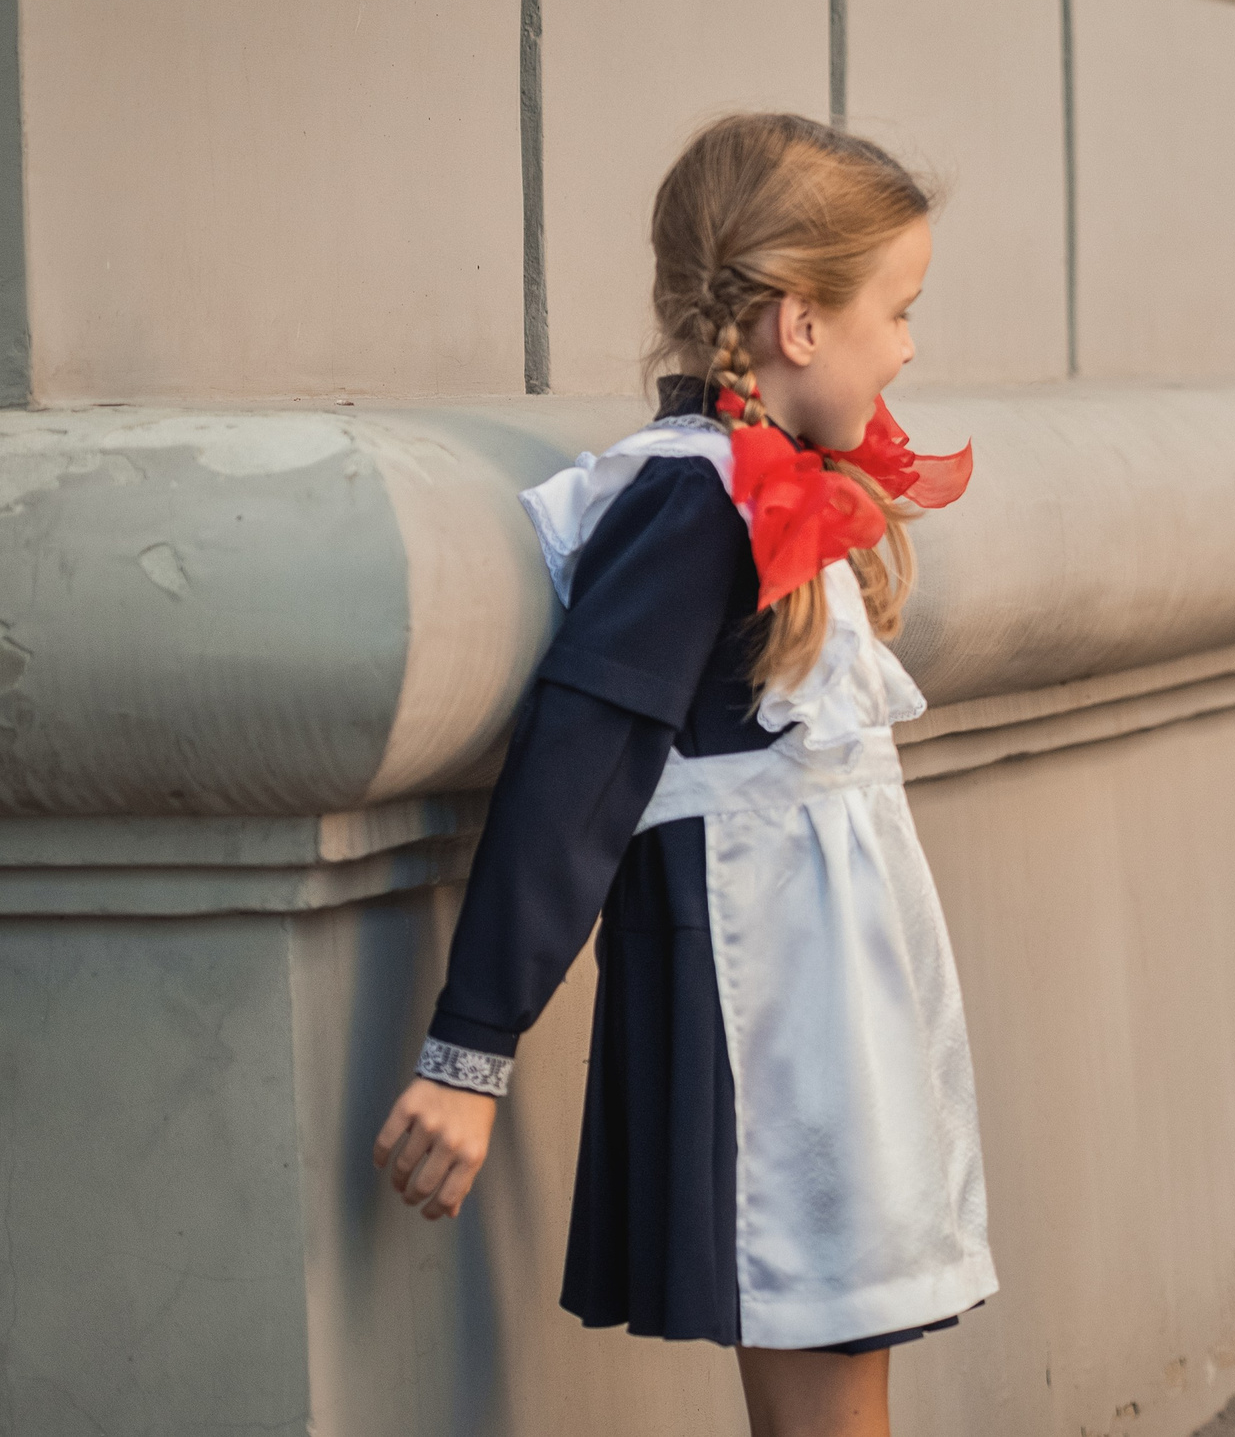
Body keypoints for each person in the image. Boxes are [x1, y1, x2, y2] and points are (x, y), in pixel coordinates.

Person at [371, 112, 993, 1437]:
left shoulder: (757, 484)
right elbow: (578, 768)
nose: (909, 344)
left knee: (837, 1380)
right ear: (800, 324)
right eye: (897, 308)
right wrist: (469, 1048)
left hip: (824, 993)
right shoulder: (691, 496)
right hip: (765, 1001)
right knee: (827, 1393)